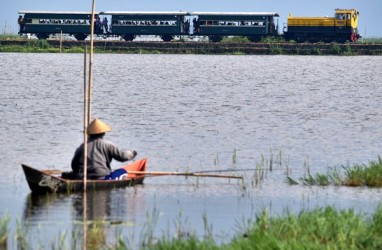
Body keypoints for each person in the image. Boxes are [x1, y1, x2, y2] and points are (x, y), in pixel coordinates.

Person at [70, 118, 137, 180]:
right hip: (102, 176)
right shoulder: (107, 144)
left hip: (84, 177)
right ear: (103, 133)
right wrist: (132, 153)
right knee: (123, 171)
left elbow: (74, 165)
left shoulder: (82, 146)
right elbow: (122, 156)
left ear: (89, 134)